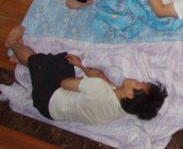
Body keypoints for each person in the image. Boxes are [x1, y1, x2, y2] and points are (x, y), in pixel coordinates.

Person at [4, 25, 167, 124]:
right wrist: (81, 66)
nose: (137, 79)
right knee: (67, 62)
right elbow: (102, 82)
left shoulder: (97, 88)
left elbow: (65, 83)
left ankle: (13, 44)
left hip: (47, 100)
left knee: (46, 62)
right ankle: (24, 61)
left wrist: (86, 78)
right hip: (55, 112)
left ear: (130, 94)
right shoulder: (125, 107)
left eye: (138, 83)